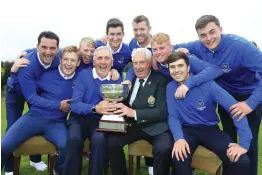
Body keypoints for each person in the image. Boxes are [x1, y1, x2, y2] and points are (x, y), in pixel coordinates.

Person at [174, 15, 262, 175]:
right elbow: (173, 48)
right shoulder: (198, 46)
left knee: (249, 143)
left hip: (249, 95)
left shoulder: (241, 46)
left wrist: (251, 103)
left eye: (212, 32)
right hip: (225, 97)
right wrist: (181, 50)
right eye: (203, 35)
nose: (208, 38)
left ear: (221, 30)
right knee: (229, 140)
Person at [166, 51, 252, 175]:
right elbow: (173, 116)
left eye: (180, 66)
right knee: (179, 157)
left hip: (210, 129)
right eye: (172, 67)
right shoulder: (170, 87)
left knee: (240, 160)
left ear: (188, 67)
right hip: (187, 130)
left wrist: (244, 144)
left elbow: (236, 109)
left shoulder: (208, 85)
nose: (176, 70)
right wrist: (179, 138)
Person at [1, 45, 80, 174]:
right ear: (60, 59)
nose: (68, 63)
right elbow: (22, 90)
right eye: (65, 59)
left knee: (67, 146)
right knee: (5, 145)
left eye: (72, 60)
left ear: (78, 63)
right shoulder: (45, 76)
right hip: (35, 117)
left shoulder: (79, 79)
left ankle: (58, 171)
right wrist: (14, 72)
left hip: (57, 123)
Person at [3, 31, 63, 175]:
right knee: (13, 127)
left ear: (57, 48)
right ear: (37, 46)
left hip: (37, 92)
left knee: (38, 122)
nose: (48, 51)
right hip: (16, 92)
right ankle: (10, 167)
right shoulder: (27, 63)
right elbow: (30, 97)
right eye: (44, 47)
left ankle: (35, 159)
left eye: (52, 48)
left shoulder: (58, 57)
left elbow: (80, 53)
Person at [107, 48, 174, 175]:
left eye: (142, 62)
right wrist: (115, 103)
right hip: (134, 125)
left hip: (157, 127)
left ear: (149, 63)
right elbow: (126, 102)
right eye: (135, 63)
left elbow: (162, 111)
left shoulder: (161, 81)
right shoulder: (130, 80)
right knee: (112, 141)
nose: (138, 67)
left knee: (164, 148)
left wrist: (133, 113)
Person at [63, 46, 122, 175]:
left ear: (112, 63)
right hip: (79, 118)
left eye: (107, 58)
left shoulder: (117, 78)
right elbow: (75, 104)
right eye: (99, 58)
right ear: (94, 62)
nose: (103, 61)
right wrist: (95, 108)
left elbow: (119, 104)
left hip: (100, 121)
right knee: (74, 138)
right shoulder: (84, 75)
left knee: (99, 139)